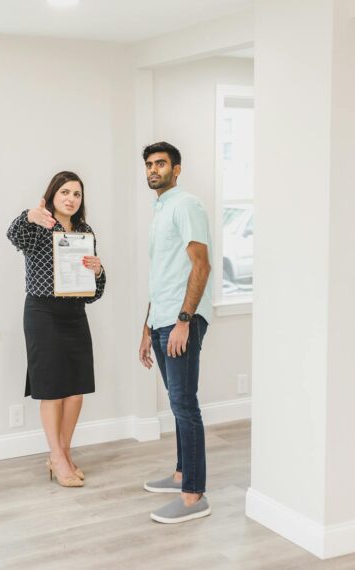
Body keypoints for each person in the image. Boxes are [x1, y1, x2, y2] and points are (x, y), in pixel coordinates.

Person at [7, 171, 106, 488]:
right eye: (64, 192)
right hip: (42, 314)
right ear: (52, 195)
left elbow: (94, 292)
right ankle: (58, 457)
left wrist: (99, 271)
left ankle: (61, 453)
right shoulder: (37, 226)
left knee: (75, 391)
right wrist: (28, 215)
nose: (70, 199)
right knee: (52, 389)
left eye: (76, 194)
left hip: (75, 314)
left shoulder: (85, 231)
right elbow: (13, 235)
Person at [138, 142, 214, 523]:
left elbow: (201, 265)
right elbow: (163, 275)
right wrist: (147, 328)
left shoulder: (186, 205)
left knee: (185, 404)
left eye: (161, 164)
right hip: (163, 318)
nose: (154, 170)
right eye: (149, 165)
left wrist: (185, 319)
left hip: (182, 320)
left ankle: (193, 496)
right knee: (176, 402)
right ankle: (183, 474)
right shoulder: (162, 208)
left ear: (177, 169)